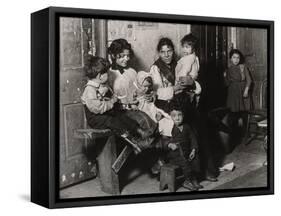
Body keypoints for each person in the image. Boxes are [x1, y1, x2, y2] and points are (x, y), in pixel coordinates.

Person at [81, 55, 145, 153]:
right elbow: (97, 108)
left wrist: (115, 99)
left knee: (121, 116)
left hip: (104, 114)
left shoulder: (102, 86)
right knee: (112, 121)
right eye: (107, 73)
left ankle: (139, 132)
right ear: (100, 76)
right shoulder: (89, 90)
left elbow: (110, 101)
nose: (109, 74)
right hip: (95, 118)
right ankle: (131, 140)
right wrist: (111, 101)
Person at [107, 38, 158, 150]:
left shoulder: (132, 71)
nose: (126, 59)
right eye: (122, 56)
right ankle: (144, 151)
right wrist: (128, 105)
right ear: (113, 55)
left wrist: (149, 95)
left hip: (138, 105)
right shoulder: (109, 75)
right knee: (143, 120)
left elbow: (141, 89)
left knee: (156, 118)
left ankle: (149, 152)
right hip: (121, 111)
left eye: (128, 55)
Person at [163, 103, 202, 191]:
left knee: (195, 159)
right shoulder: (169, 127)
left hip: (186, 150)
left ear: (183, 115)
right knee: (185, 162)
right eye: (174, 116)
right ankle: (186, 181)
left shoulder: (186, 126)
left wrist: (193, 149)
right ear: (170, 117)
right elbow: (163, 140)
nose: (177, 118)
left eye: (179, 115)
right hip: (174, 154)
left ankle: (193, 178)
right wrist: (169, 144)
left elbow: (193, 138)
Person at [134, 71, 174, 137]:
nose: (146, 89)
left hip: (152, 107)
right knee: (153, 121)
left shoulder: (149, 91)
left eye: (148, 86)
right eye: (144, 86)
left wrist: (152, 98)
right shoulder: (136, 92)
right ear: (139, 84)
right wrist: (135, 103)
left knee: (166, 116)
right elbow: (134, 102)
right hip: (143, 110)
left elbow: (154, 97)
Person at [224, 49, 252, 134]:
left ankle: (245, 132)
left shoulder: (243, 67)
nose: (236, 60)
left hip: (243, 90)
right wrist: (224, 76)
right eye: (234, 57)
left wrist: (246, 90)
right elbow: (226, 84)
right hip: (233, 92)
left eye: (238, 58)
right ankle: (234, 133)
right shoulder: (228, 69)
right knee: (233, 113)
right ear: (230, 59)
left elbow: (249, 80)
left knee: (244, 112)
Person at [175, 33, 202, 106]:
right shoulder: (195, 57)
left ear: (193, 48)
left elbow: (184, 71)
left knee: (184, 103)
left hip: (186, 84)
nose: (184, 49)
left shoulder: (189, 58)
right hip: (191, 85)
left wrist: (178, 79)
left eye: (187, 47)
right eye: (183, 47)